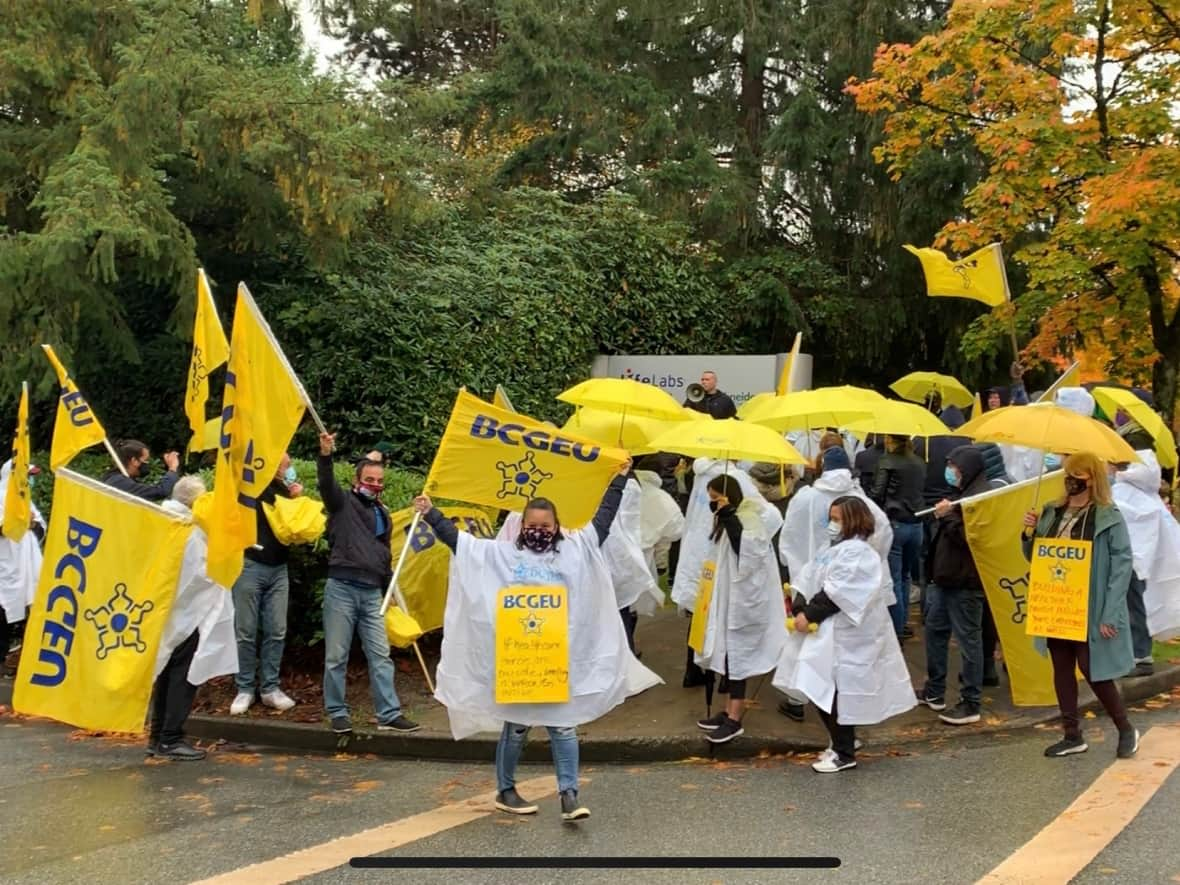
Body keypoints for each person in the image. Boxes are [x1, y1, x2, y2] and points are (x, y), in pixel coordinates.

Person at [412, 466, 660, 823]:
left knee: (563, 724)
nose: (538, 532)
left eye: (545, 526)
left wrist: (618, 480)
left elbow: (603, 520)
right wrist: (431, 513)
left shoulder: (575, 551)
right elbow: (460, 543)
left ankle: (569, 796)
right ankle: (506, 790)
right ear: (521, 525)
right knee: (516, 726)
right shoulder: (503, 555)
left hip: (557, 658)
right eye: (532, 525)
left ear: (556, 526)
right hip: (519, 658)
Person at [773, 497, 916, 772]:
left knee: (833, 689)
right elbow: (809, 575)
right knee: (819, 685)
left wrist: (809, 613)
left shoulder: (860, 552)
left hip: (850, 635)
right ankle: (840, 742)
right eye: (830, 518)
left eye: (837, 518)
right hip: (828, 631)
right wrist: (800, 603)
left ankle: (844, 751)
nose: (831, 524)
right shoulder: (834, 548)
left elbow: (840, 591)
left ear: (853, 519)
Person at [1023, 453, 1139, 759]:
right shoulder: (1052, 511)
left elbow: (1121, 566)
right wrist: (1029, 533)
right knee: (1061, 667)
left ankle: (1125, 727)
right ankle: (1071, 734)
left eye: (1077, 475)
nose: (1070, 480)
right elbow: (1036, 557)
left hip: (1089, 603)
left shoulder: (1107, 515)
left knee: (1093, 668)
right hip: (1057, 602)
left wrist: (1109, 612)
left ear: (1091, 478)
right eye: (1067, 474)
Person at [317, 433, 419, 735]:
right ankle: (337, 711)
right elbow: (326, 485)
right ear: (356, 480)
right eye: (369, 479)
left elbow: (384, 554)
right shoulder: (342, 503)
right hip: (342, 589)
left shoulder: (382, 513)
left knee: (380, 655)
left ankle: (388, 713)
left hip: (374, 592)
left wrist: (391, 591)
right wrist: (325, 455)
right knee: (336, 655)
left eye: (379, 480)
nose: (375, 484)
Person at [691, 475, 787, 744]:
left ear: (728, 496)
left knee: (738, 658)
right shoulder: (727, 518)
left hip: (742, 604)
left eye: (715, 499)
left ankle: (735, 719)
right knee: (727, 657)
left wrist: (730, 517)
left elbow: (747, 553)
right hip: (725, 599)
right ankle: (726, 711)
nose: (712, 504)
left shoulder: (747, 519)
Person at [150, 476, 239, 761]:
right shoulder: (190, 531)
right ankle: (171, 737)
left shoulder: (162, 521)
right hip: (189, 614)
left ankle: (158, 737)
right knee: (182, 676)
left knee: (165, 674)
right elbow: (201, 574)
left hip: (166, 612)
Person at [671, 458, 778, 687]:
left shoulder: (700, 474)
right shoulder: (735, 479)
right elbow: (772, 516)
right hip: (719, 555)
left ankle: (696, 672)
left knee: (701, 614)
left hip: (702, 552)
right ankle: (725, 678)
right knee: (720, 618)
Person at [919, 445, 989, 726]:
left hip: (964, 581)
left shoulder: (981, 497)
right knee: (934, 632)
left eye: (954, 467)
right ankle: (935, 690)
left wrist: (947, 516)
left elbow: (972, 539)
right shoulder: (962, 495)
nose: (951, 472)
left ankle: (971, 701)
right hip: (944, 577)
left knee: (968, 642)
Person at [230, 452, 302, 716]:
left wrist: (295, 498)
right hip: (250, 565)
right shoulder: (252, 487)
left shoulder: (288, 490)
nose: (289, 467)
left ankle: (270, 687)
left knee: (276, 629)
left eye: (289, 463)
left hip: (278, 568)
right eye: (286, 463)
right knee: (246, 630)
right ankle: (245, 688)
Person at [1112, 443, 1180, 673]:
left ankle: (1140, 655)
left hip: (1130, 556)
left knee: (1132, 604)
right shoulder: (1143, 491)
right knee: (1132, 604)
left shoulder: (1126, 489)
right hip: (1135, 556)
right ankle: (1136, 653)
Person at [871, 435, 925, 640]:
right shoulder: (919, 462)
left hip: (895, 523)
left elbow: (877, 493)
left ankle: (896, 629)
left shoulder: (887, 461)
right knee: (905, 576)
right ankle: (902, 624)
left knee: (893, 579)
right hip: (916, 523)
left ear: (889, 439)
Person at [0, 460, 45, 664]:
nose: (30, 481)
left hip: (26, 574)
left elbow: (41, 531)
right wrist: (16, 520)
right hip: (5, 573)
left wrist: (33, 523)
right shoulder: (1, 499)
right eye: (28, 476)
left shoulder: (29, 503)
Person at [101, 439, 180, 501]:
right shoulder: (119, 482)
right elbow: (161, 491)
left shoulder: (116, 477)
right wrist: (172, 468)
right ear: (134, 460)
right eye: (146, 460)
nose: (147, 463)